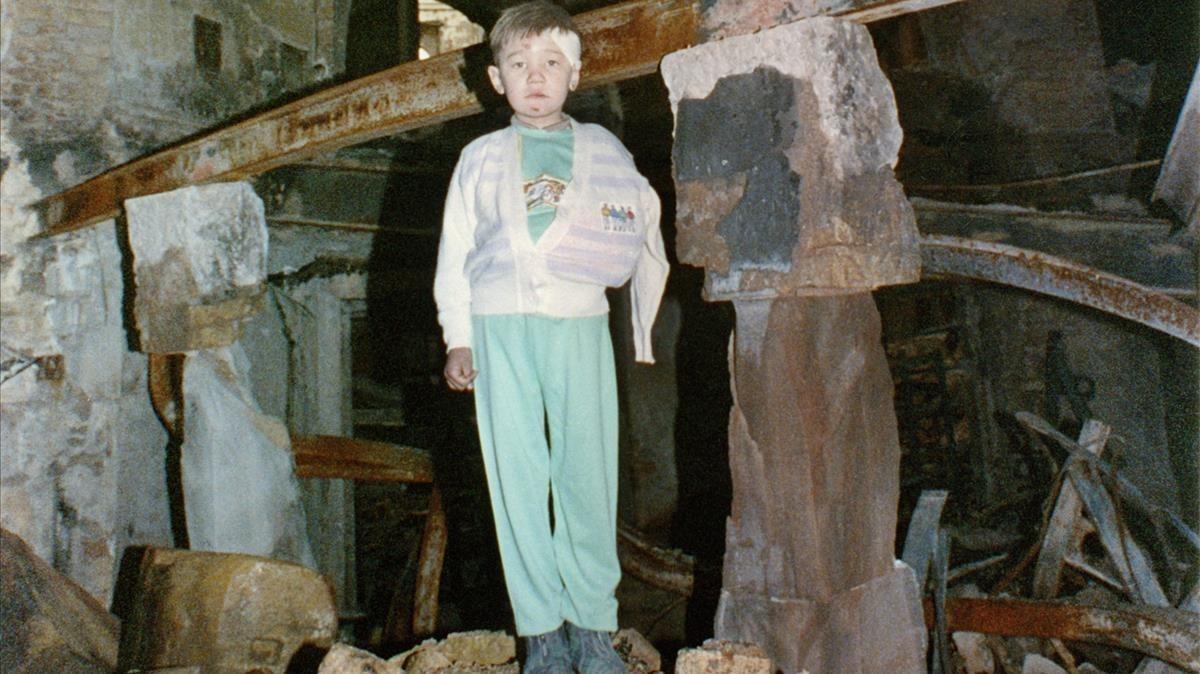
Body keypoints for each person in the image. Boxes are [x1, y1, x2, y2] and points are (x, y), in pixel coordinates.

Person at [432, 2, 668, 672]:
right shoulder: (479, 159)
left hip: (579, 325)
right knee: (517, 479)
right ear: (496, 79)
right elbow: (454, 256)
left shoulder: (603, 149)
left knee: (587, 473)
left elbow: (641, 226)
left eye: (552, 63)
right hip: (498, 327)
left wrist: (639, 320)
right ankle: (540, 634)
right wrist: (459, 338)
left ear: (576, 74)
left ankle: (593, 630)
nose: (536, 77)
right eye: (519, 64)